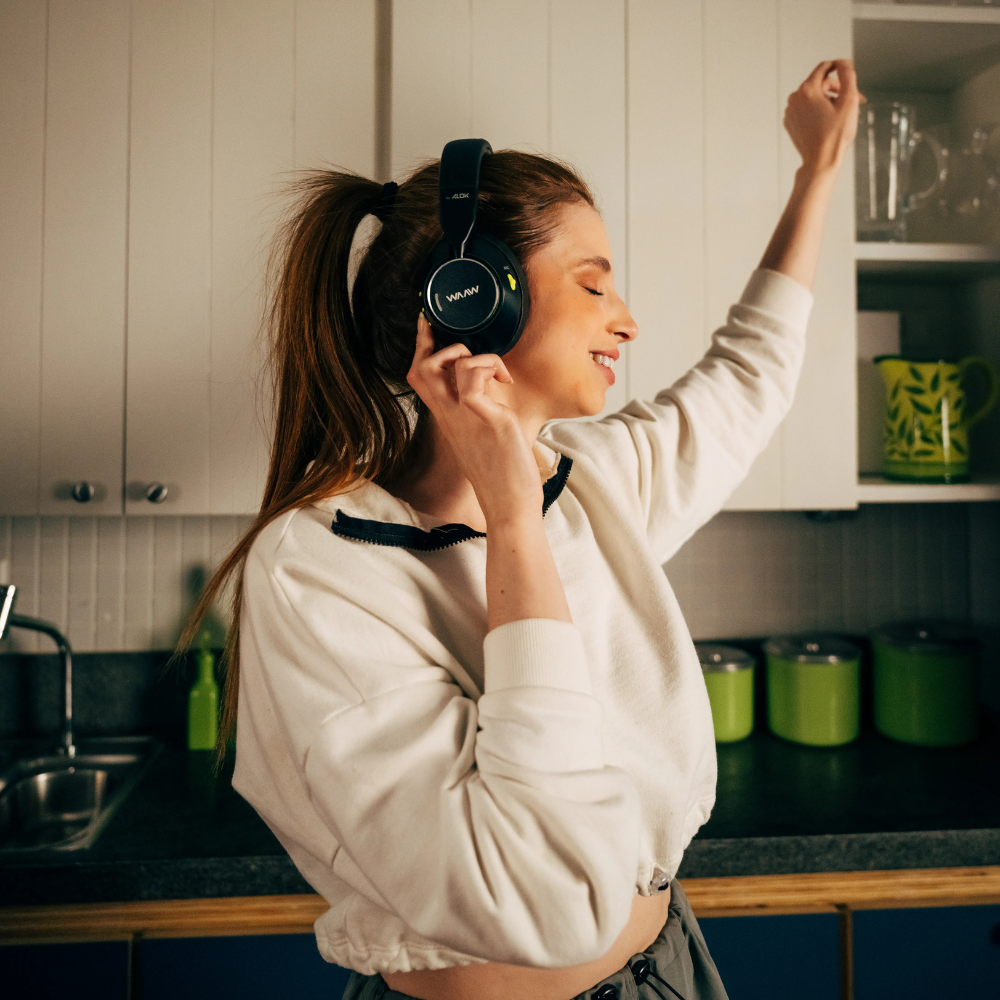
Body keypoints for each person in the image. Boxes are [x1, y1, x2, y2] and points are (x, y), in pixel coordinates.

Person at [185, 59, 861, 1000]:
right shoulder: (319, 571)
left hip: (669, 969)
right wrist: (508, 512)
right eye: (594, 285)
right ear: (473, 298)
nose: (627, 321)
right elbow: (544, 902)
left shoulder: (590, 481)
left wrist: (818, 172)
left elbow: (750, 372)